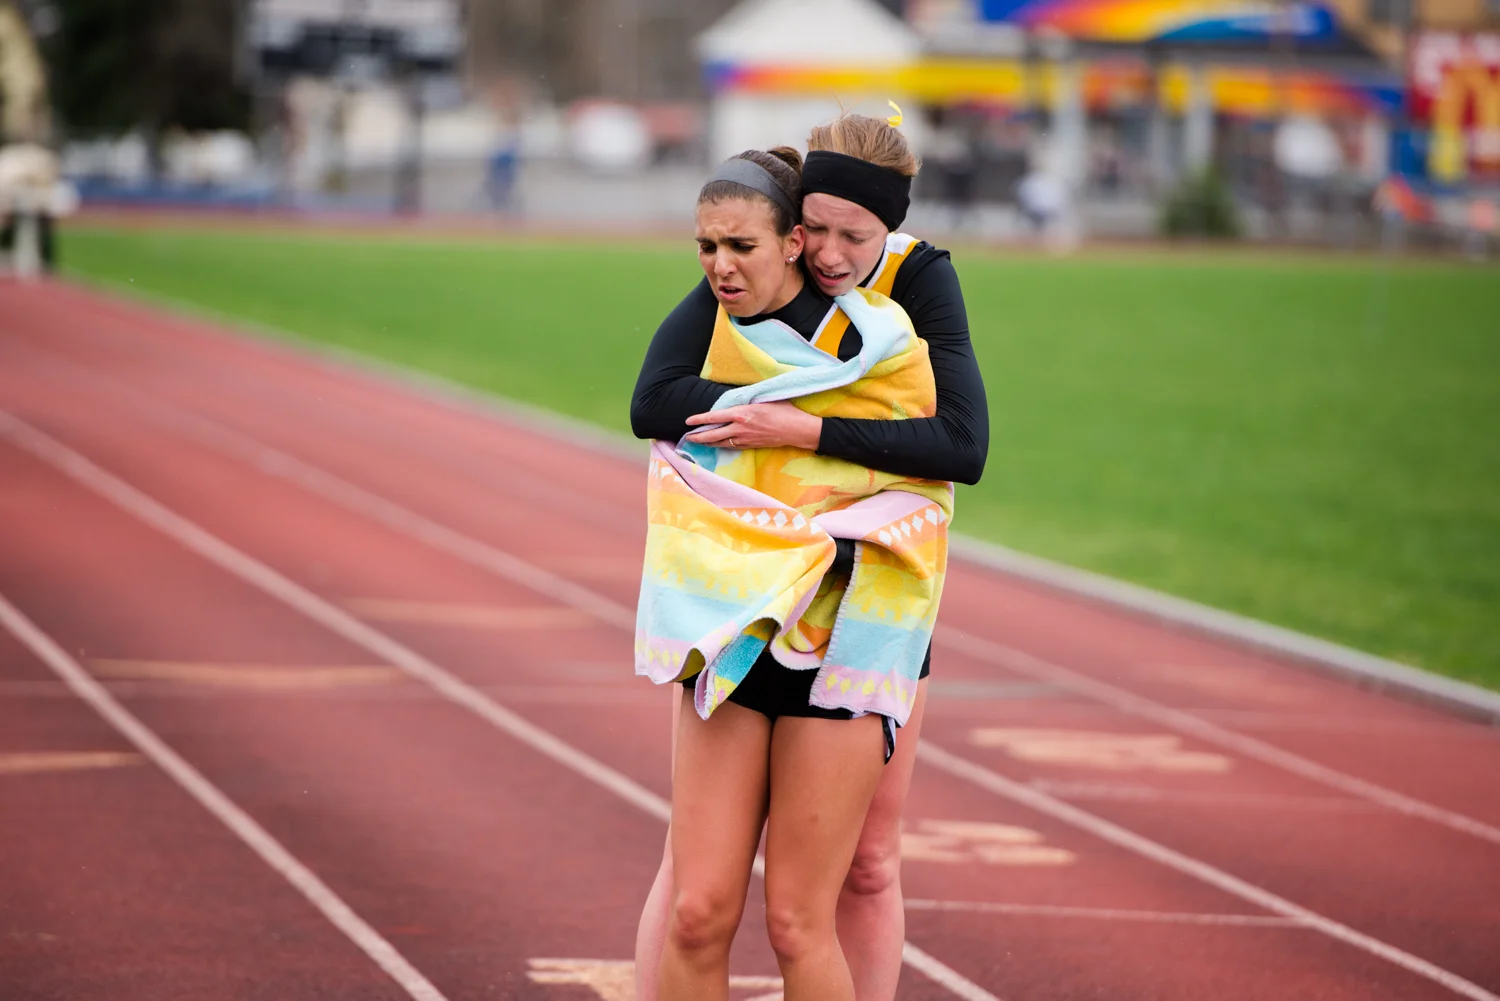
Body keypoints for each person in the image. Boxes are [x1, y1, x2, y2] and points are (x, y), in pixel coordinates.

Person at [631, 113, 989, 1001]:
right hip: (745, 607)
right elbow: (653, 401)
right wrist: (756, 407)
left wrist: (801, 427)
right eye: (814, 228)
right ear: (792, 226)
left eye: (853, 237)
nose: (829, 253)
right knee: (697, 896)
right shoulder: (749, 266)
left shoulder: (916, 286)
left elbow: (961, 444)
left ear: (889, 232)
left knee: (857, 869)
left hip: (861, 609)